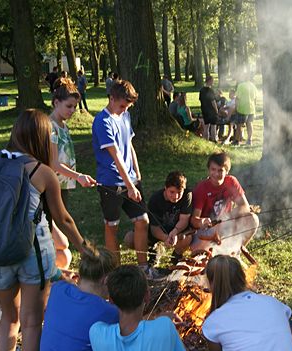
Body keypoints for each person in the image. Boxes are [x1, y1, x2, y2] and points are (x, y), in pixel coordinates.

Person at [0, 109, 92, 351]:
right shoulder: (41, 172)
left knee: (8, 320)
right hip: (33, 254)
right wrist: (82, 245)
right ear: (41, 137)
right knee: (32, 323)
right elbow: (62, 218)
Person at [92, 79, 156, 277]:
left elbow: (129, 145)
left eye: (127, 106)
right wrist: (129, 184)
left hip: (130, 180)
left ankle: (143, 268)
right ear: (111, 98)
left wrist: (136, 173)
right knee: (112, 226)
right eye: (121, 105)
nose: (124, 109)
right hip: (110, 182)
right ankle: (115, 272)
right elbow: (116, 155)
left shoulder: (125, 115)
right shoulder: (102, 121)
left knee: (142, 220)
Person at [190, 152, 259, 254]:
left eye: (220, 170)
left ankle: (235, 253)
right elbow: (193, 220)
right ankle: (211, 254)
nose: (216, 174)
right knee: (201, 254)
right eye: (213, 170)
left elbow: (245, 206)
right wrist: (201, 222)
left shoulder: (231, 181)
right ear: (208, 170)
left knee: (252, 219)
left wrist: (226, 218)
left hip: (225, 226)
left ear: (227, 171)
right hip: (206, 231)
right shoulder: (201, 188)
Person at [124, 171, 193, 266]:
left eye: (179, 193)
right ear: (165, 188)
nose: (176, 196)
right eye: (172, 192)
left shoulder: (187, 195)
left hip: (177, 232)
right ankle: (153, 250)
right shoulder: (155, 199)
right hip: (157, 232)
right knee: (129, 239)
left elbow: (184, 220)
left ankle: (177, 255)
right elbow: (154, 228)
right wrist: (166, 238)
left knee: (188, 237)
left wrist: (175, 232)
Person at [49, 77, 96, 209]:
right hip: (51, 185)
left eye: (75, 106)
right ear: (56, 103)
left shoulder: (64, 126)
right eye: (69, 106)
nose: (73, 110)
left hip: (62, 185)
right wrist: (78, 176)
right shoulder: (50, 127)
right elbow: (53, 162)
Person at [234, 74, 258, 145]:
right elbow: (255, 98)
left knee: (239, 125)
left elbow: (237, 98)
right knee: (249, 124)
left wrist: (236, 107)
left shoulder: (241, 85)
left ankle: (237, 141)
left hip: (242, 108)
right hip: (251, 108)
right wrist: (254, 106)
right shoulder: (253, 86)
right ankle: (249, 140)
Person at [199, 76, 219, 142]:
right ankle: (213, 139)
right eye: (212, 81)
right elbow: (213, 102)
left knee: (206, 127)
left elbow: (201, 100)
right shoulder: (211, 91)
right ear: (209, 81)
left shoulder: (201, 90)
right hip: (211, 111)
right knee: (213, 126)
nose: (213, 82)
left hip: (204, 110)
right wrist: (216, 110)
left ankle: (206, 141)